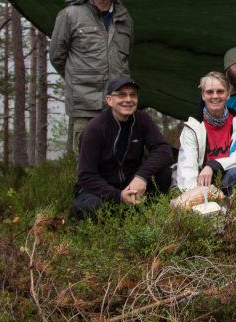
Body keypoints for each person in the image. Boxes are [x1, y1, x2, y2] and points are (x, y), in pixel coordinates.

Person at [50, 0, 133, 154]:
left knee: (118, 159)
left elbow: (126, 57)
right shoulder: (70, 15)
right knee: (86, 163)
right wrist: (78, 79)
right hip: (85, 105)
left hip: (118, 105)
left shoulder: (124, 17)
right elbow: (57, 56)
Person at [72, 77, 172, 220]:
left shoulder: (142, 119)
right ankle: (118, 218)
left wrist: (141, 177)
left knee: (165, 173)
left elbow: (163, 150)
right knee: (92, 207)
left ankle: (144, 215)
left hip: (131, 184)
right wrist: (118, 196)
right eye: (121, 95)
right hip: (100, 190)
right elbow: (86, 175)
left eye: (133, 95)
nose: (128, 99)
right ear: (109, 100)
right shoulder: (95, 128)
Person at [176, 72, 236, 195]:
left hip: (227, 181)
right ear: (203, 95)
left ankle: (235, 213)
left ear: (228, 94)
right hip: (200, 184)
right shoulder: (192, 126)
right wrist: (194, 195)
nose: (215, 96)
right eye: (209, 92)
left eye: (220, 91)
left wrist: (213, 165)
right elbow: (187, 168)